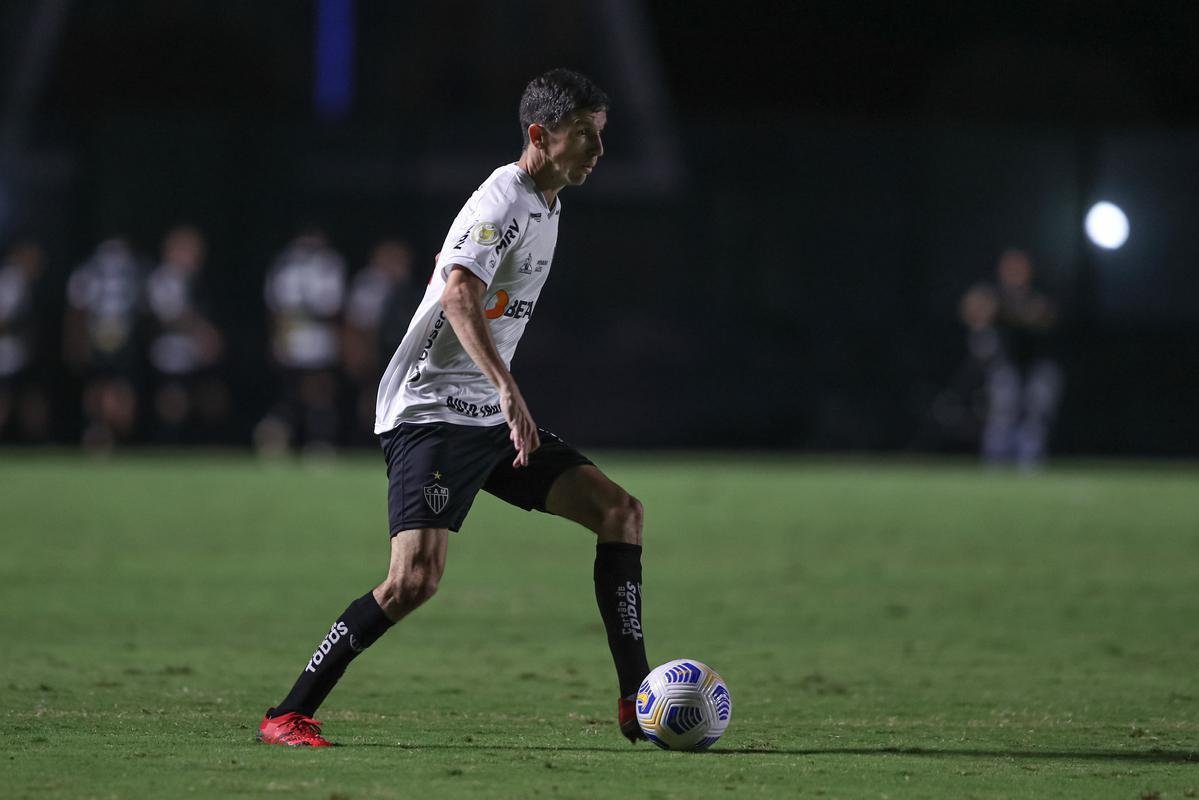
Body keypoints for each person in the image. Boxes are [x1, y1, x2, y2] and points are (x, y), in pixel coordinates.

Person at [257, 68, 650, 747]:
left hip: (484, 416)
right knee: (413, 581)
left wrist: (497, 397)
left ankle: (636, 702)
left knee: (620, 513)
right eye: (583, 135)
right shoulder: (502, 200)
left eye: (600, 135)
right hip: (431, 411)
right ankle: (286, 714)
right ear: (540, 136)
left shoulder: (549, 204)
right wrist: (506, 388)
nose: (597, 150)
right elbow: (457, 293)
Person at [958, 248, 1063, 467]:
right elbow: (971, 309)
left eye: (1020, 268)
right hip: (1006, 366)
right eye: (1010, 268)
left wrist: (1020, 313)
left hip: (1037, 365)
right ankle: (996, 459)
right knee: (1003, 407)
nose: (1015, 273)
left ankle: (1030, 459)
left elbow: (1045, 316)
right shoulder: (993, 293)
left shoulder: (1038, 292)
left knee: (1037, 409)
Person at [255, 227, 347, 456]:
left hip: (315, 340)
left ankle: (317, 442)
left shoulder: (327, 265)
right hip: (297, 340)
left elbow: (331, 307)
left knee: (318, 394)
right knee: (294, 395)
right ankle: (279, 441)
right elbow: (276, 309)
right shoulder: (288, 267)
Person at [145, 225, 229, 443]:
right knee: (173, 399)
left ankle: (205, 442)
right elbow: (170, 315)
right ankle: (169, 443)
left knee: (210, 397)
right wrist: (203, 333)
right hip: (172, 350)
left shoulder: (198, 281)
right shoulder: (164, 279)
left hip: (196, 351)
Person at [63, 238, 144, 450]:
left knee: (115, 392)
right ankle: (99, 433)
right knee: (101, 390)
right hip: (101, 342)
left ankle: (112, 436)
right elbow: (77, 311)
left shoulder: (130, 274)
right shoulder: (91, 275)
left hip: (117, 343)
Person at [342, 239, 418, 440]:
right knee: (373, 397)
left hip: (401, 351)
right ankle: (368, 439)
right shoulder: (370, 285)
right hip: (374, 348)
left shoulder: (406, 286)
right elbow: (357, 323)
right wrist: (359, 352)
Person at [0, 241, 50, 441]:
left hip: (18, 354)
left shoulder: (19, 281)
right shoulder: (12, 281)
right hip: (8, 355)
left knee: (31, 401)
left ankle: (35, 441)